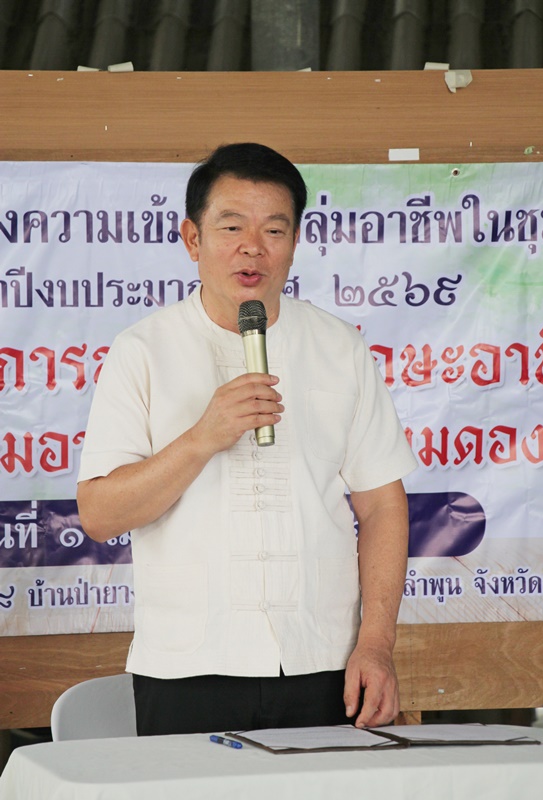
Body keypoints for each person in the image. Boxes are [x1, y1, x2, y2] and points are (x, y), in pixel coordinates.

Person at [77, 142, 417, 736]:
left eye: (274, 230)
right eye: (232, 226)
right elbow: (101, 515)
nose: (253, 247)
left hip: (323, 660)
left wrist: (376, 644)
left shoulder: (340, 347)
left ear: (295, 242)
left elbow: (382, 504)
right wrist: (201, 438)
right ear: (192, 239)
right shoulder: (141, 352)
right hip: (188, 666)